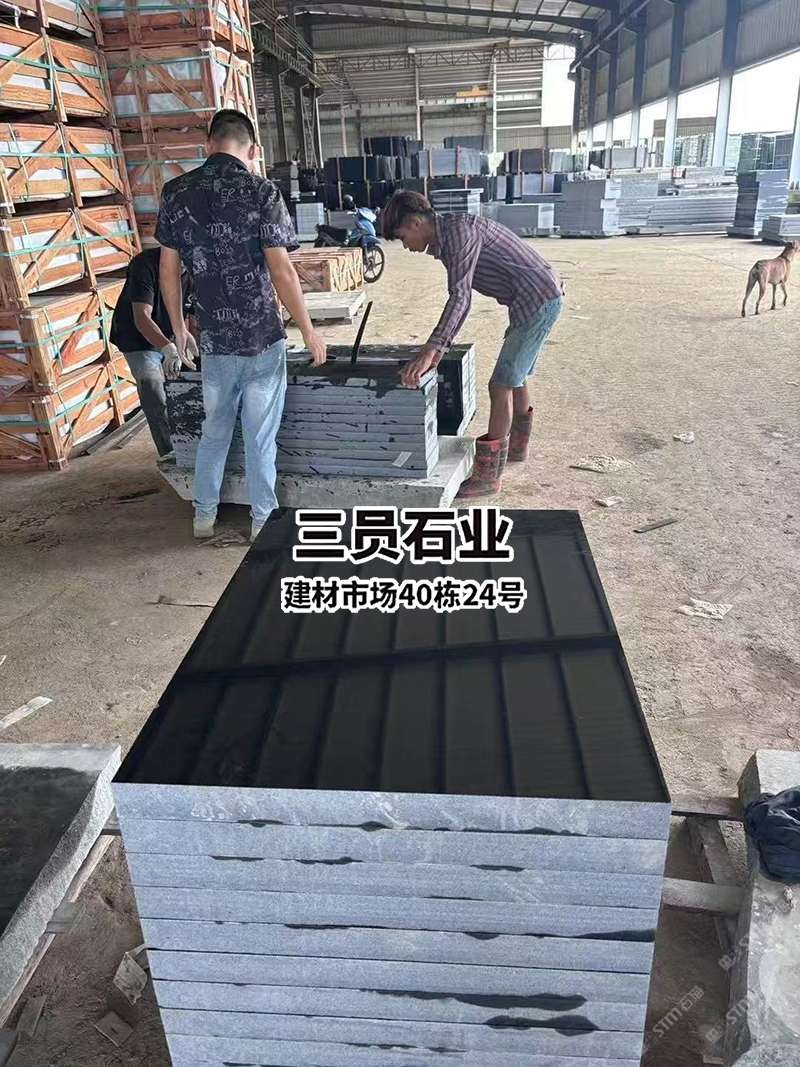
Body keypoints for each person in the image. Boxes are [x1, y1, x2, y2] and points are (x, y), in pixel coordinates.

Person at [155, 108, 326, 541]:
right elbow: (281, 270)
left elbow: (168, 271)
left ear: (209, 144)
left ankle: (203, 517)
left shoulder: (176, 192)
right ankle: (261, 521)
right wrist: (308, 329)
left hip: (214, 341)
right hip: (261, 338)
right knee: (259, 437)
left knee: (214, 433)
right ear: (253, 150)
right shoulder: (262, 191)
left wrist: (179, 330)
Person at [381, 189, 563, 498]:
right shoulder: (448, 235)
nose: (406, 246)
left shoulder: (459, 233)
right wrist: (437, 349)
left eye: (402, 238)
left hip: (537, 301)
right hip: (532, 300)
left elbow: (461, 297)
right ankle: (516, 448)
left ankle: (488, 477)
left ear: (414, 223)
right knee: (516, 377)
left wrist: (432, 349)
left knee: (500, 385)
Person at [110, 242, 196, 457]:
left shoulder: (196, 268)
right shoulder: (145, 264)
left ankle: (194, 446)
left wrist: (190, 339)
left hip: (173, 332)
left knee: (194, 384)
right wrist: (168, 348)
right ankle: (171, 455)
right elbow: (142, 317)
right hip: (137, 336)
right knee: (153, 386)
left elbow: (195, 315)